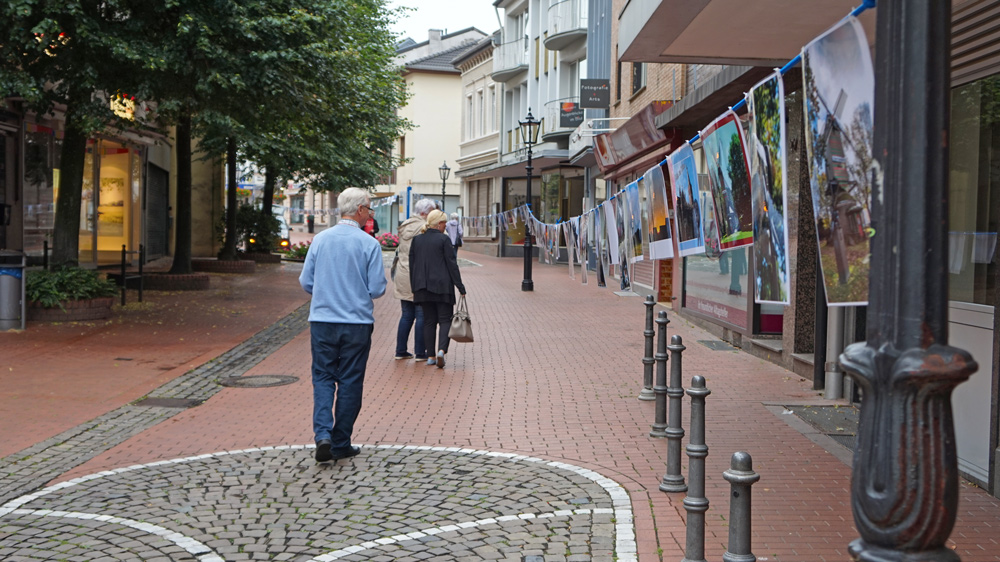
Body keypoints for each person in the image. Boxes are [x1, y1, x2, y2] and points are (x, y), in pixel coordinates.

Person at [299, 188, 386, 463]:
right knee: (350, 380)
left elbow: (306, 282)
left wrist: (326, 293)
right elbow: (377, 288)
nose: (370, 213)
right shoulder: (369, 244)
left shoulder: (321, 240)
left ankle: (322, 434)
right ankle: (340, 442)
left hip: (322, 321)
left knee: (323, 377)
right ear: (359, 209)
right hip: (357, 323)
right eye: (369, 208)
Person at [409, 209, 467, 369]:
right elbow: (451, 264)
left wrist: (414, 286)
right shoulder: (444, 240)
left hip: (422, 286)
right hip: (442, 286)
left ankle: (431, 356)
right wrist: (460, 286)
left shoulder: (417, 240)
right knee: (444, 320)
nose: (445, 226)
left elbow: (412, 266)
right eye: (444, 223)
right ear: (439, 223)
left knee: (428, 321)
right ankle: (442, 350)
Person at [393, 199, 435, 361]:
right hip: (418, 276)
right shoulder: (423, 228)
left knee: (406, 315)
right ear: (425, 213)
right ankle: (420, 352)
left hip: (403, 274)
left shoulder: (405, 225)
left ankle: (400, 350)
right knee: (421, 314)